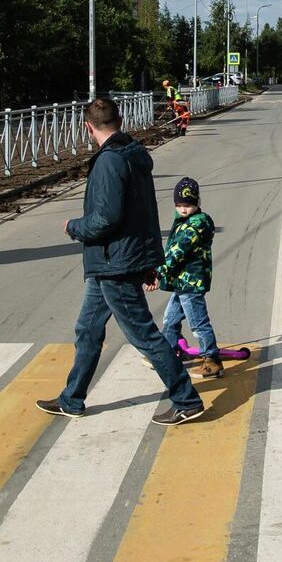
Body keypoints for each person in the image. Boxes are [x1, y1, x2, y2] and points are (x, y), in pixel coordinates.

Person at [40, 97, 205, 425]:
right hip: (114, 261)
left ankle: (186, 399)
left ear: (88, 128)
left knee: (143, 334)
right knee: (87, 329)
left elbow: (107, 219)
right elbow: (141, 214)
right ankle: (72, 398)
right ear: (121, 119)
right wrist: (148, 260)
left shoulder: (110, 162)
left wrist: (75, 227)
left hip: (115, 261)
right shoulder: (133, 154)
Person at [150, 176, 248, 373]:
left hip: (191, 284)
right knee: (170, 319)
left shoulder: (196, 224)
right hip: (181, 283)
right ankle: (168, 353)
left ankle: (212, 360)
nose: (183, 209)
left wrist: (158, 272)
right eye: (179, 205)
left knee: (198, 323)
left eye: (188, 205)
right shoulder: (184, 220)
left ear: (197, 203)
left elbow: (176, 252)